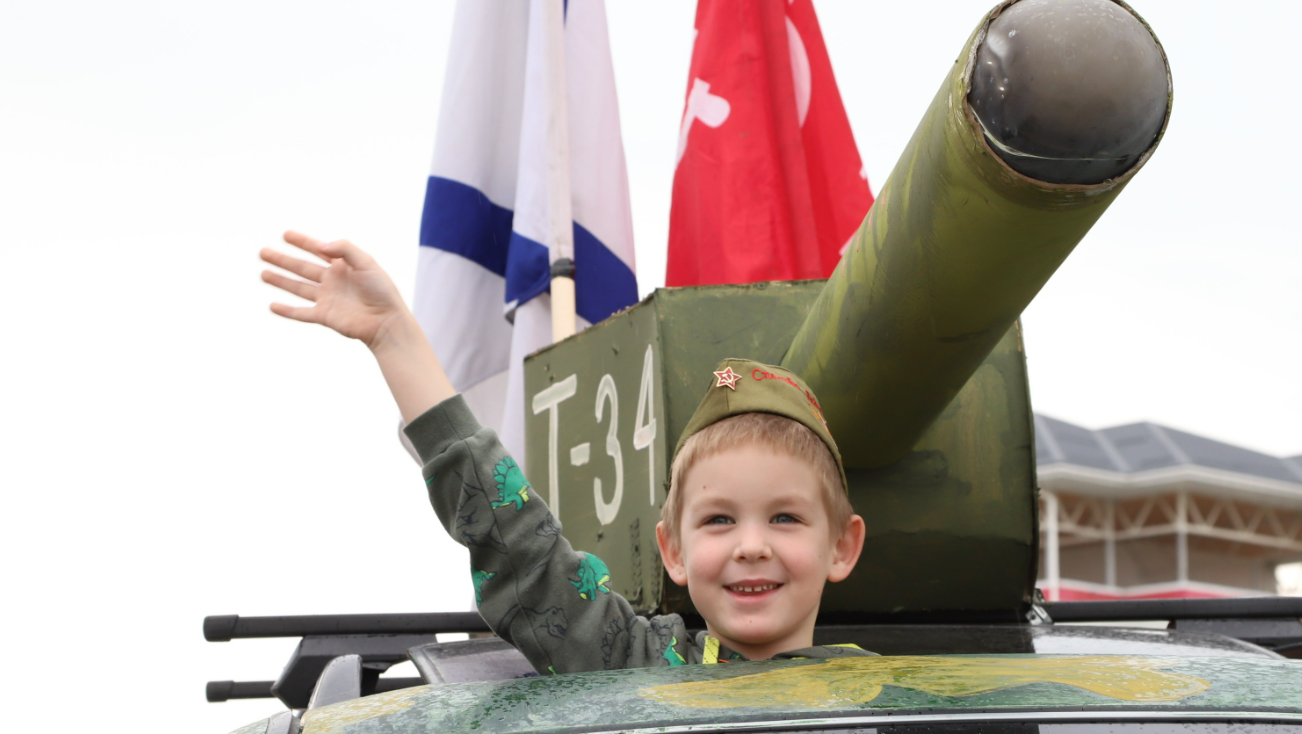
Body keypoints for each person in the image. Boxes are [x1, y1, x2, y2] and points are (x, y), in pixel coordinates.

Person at [260, 230, 870, 671]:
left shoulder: (891, 697)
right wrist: (393, 337)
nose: (752, 545)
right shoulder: (638, 665)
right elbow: (520, 546)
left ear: (842, 545)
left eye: (784, 517)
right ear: (673, 551)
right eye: (718, 519)